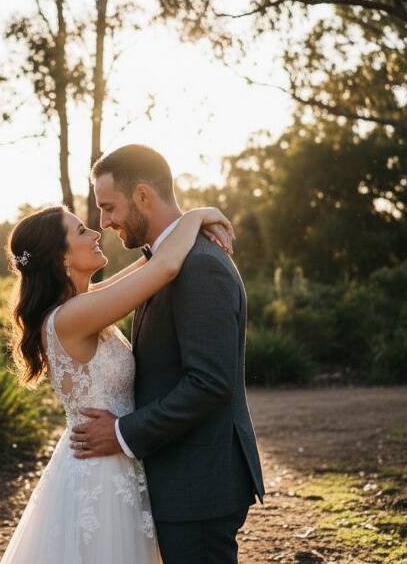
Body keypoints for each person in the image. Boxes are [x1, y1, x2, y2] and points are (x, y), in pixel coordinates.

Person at [0, 194, 236, 563]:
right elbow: (165, 268)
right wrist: (199, 215)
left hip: (114, 460)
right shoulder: (72, 316)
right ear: (62, 257)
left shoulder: (83, 303)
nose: (96, 231)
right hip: (100, 474)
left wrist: (176, 227)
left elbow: (151, 262)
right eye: (81, 230)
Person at [70, 144, 266, 564]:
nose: (104, 222)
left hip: (198, 485)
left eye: (108, 207)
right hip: (176, 478)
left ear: (142, 195)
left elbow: (210, 382)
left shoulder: (200, 265)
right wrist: (195, 216)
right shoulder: (164, 261)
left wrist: (122, 433)